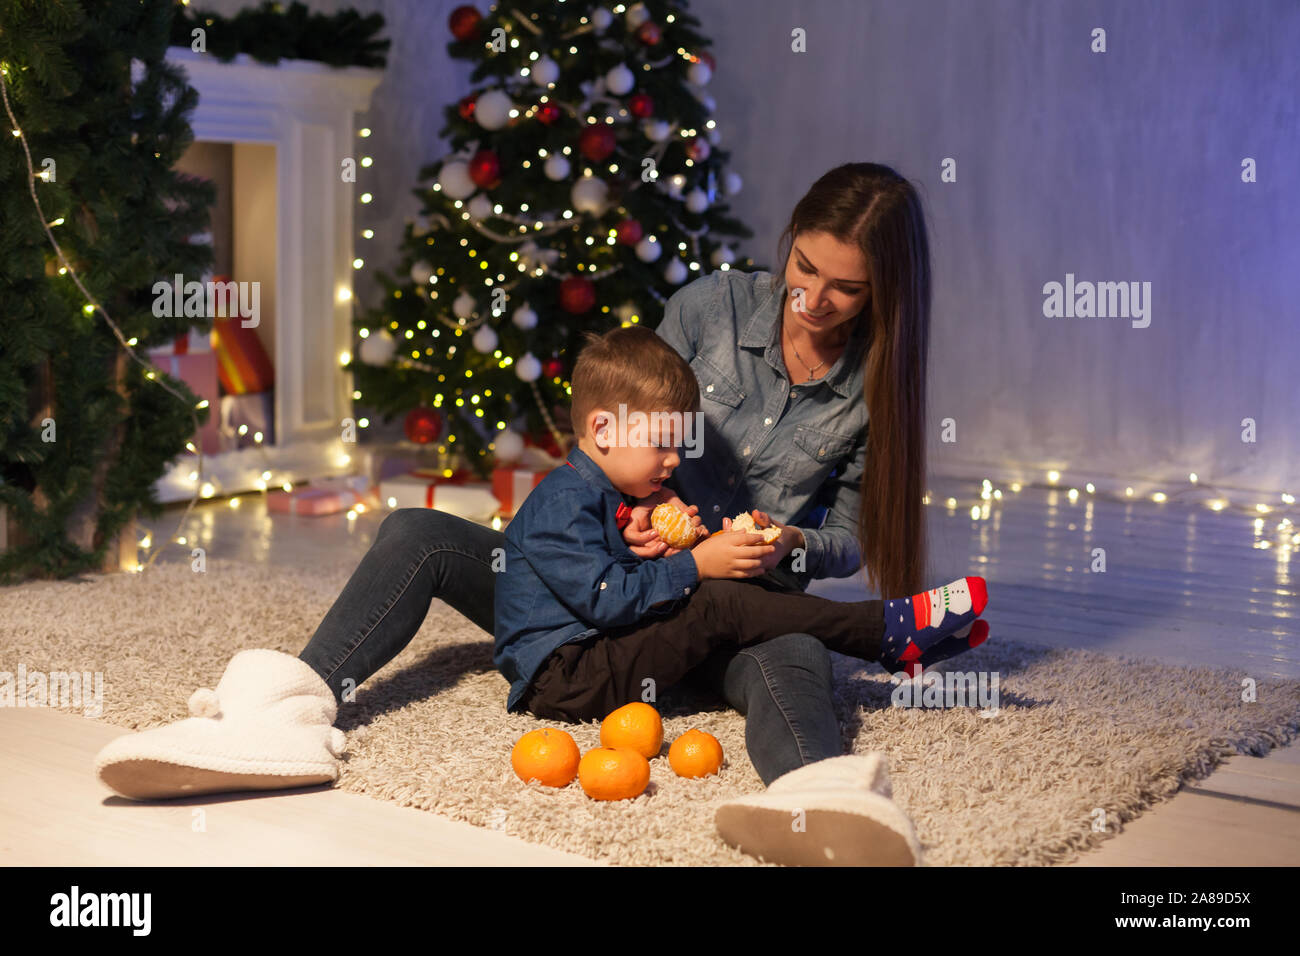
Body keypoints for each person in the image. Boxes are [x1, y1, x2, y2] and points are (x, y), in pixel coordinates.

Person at [94, 162, 963, 866]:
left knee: (793, 646)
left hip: (725, 606)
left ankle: (818, 802)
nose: (811, 300)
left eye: (845, 289)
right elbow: (632, 415)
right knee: (417, 533)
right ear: (790, 243)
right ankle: (284, 715)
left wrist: (788, 541)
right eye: (804, 268)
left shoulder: (876, 386)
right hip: (605, 580)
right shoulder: (714, 306)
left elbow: (848, 541)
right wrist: (640, 508)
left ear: (884, 293)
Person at [496, 325, 989, 730]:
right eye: (661, 444)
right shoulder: (562, 500)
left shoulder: (611, 494)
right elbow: (606, 599)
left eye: (679, 445)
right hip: (562, 676)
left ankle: (891, 638)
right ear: (603, 429)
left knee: (731, 584)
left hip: (594, 650)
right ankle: (882, 630)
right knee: (715, 601)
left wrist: (690, 550)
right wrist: (694, 566)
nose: (674, 460)